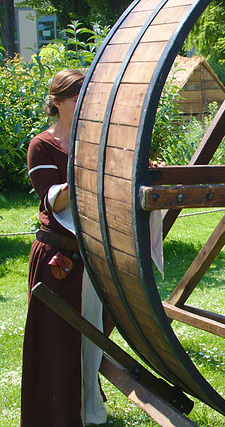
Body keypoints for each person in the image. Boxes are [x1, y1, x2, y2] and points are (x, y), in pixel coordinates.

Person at [23, 69, 107, 426]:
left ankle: (88, 410)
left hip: (93, 253)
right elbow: (53, 201)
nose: (83, 101)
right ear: (56, 102)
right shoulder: (42, 145)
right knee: (57, 342)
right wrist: (89, 168)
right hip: (57, 257)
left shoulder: (95, 140)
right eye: (76, 96)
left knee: (93, 336)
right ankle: (56, 416)